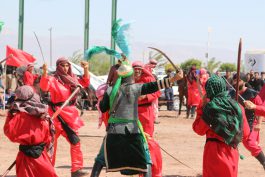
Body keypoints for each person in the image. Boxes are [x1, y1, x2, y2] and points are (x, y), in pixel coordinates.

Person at [89, 61, 183, 177]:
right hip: (132, 130)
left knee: (100, 160)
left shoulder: (110, 90)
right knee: (146, 159)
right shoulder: (136, 88)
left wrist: (110, 94)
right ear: (130, 76)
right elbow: (155, 86)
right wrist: (173, 79)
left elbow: (103, 108)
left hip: (113, 131)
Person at [40, 58, 90, 177]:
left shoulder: (73, 79)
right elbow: (44, 87)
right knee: (50, 143)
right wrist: (45, 73)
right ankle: (47, 169)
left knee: (75, 141)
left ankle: (76, 169)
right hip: (55, 114)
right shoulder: (52, 79)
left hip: (70, 116)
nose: (65, 67)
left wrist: (86, 69)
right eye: (63, 65)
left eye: (67, 65)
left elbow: (85, 82)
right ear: (58, 66)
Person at [193, 75, 250, 177]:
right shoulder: (238, 106)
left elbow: (198, 129)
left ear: (208, 90)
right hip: (232, 151)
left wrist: (202, 106)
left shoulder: (210, 108)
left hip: (213, 152)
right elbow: (245, 134)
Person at [4, 85, 57, 177]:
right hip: (42, 156)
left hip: (25, 158)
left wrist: (10, 116)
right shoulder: (44, 115)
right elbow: (49, 137)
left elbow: (10, 133)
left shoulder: (19, 116)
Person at [132, 61, 162, 177]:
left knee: (147, 139)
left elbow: (157, 92)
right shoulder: (129, 80)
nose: (137, 71)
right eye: (135, 69)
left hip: (146, 112)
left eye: (139, 69)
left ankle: (149, 167)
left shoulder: (148, 79)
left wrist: (146, 96)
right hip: (133, 112)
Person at [230, 73, 265, 170]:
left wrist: (259, 123)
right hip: (235, 123)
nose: (236, 82)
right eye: (234, 80)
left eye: (238, 80)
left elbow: (261, 108)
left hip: (250, 123)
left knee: (250, 144)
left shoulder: (252, 94)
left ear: (244, 81)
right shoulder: (231, 93)